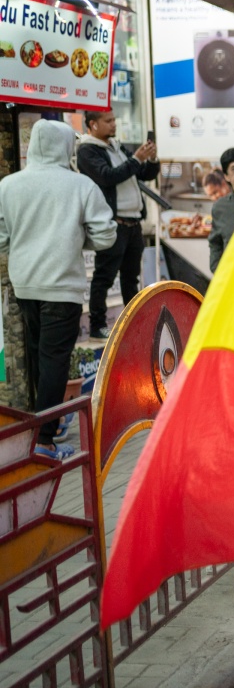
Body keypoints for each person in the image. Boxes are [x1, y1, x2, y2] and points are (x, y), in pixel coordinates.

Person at [0, 120, 116, 459]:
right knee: (54, 360)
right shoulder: (81, 186)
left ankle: (44, 425)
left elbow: (2, 238)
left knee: (38, 355)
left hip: (25, 284)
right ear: (67, 147)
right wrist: (77, 241)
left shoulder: (8, 185)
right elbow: (106, 236)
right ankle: (45, 441)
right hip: (62, 286)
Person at [77, 111, 159, 340]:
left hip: (133, 224)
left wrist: (150, 158)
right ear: (93, 124)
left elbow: (144, 174)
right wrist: (136, 160)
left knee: (130, 278)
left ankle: (134, 323)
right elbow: (107, 176)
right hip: (113, 224)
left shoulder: (116, 145)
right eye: (108, 121)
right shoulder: (87, 150)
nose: (114, 124)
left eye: (114, 119)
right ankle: (97, 326)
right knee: (104, 276)